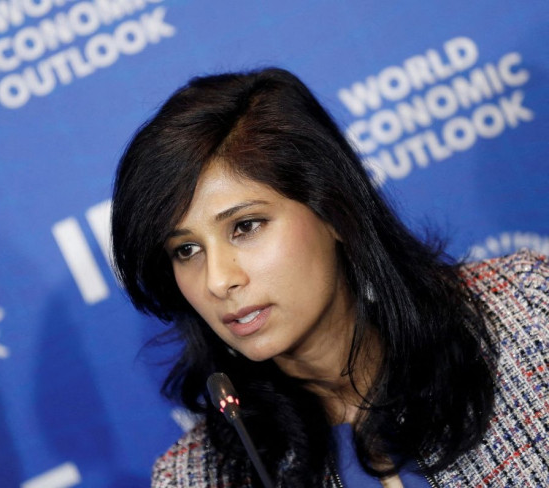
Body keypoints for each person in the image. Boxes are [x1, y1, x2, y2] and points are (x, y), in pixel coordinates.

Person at [110, 68, 549, 487]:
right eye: (186, 250)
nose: (218, 280)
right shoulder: (197, 478)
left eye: (245, 226)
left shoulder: (527, 313)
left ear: (334, 211)